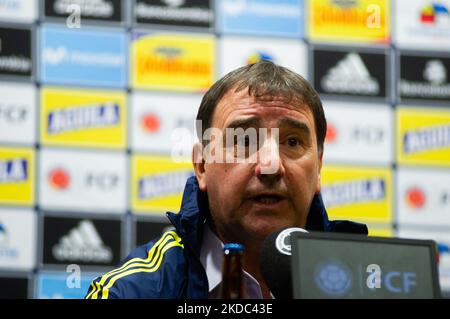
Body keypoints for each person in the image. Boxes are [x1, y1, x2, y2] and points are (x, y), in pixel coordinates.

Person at [85, 61, 368, 299]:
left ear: (318, 168)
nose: (270, 165)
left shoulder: (372, 283)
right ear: (201, 165)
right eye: (244, 140)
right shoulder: (130, 292)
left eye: (292, 141)